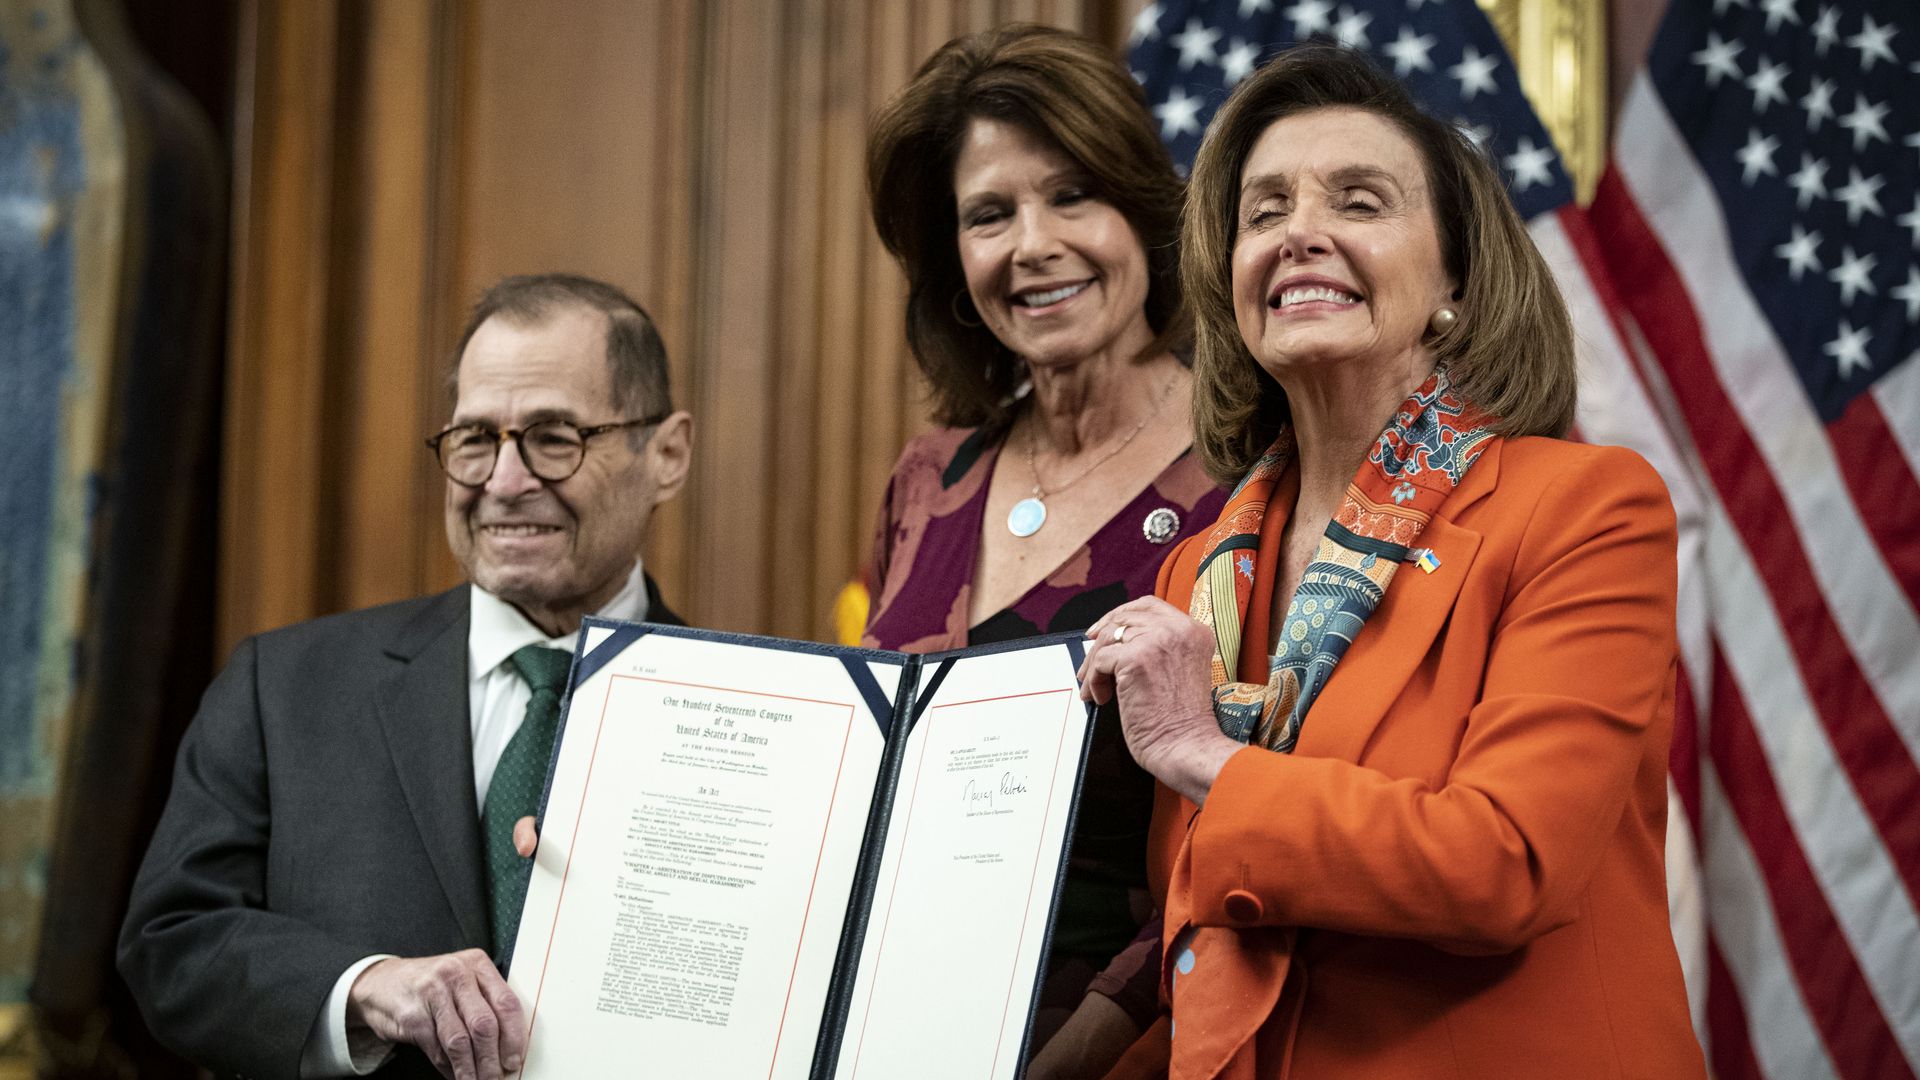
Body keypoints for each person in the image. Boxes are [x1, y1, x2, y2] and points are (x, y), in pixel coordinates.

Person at [1076, 47, 1705, 1078]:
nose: (1300, 234)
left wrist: (1204, 752)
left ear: (1454, 276)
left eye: (1359, 202)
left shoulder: (1584, 508)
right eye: (1264, 211)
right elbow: (1208, 934)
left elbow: (1502, 864)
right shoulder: (1197, 573)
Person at [119, 274, 694, 1080]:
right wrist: (363, 988)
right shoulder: (284, 687)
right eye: (473, 440)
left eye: (554, 437)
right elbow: (171, 944)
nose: (503, 480)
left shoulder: (766, 716)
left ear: (665, 455)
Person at [861, 23, 1228, 1072]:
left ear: (1140, 214)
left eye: (1072, 195)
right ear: (952, 257)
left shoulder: (1249, 470)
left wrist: (1080, 1056)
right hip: (912, 1030)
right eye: (990, 214)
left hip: (1146, 1039)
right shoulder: (928, 480)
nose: (1033, 243)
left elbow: (1254, 810)